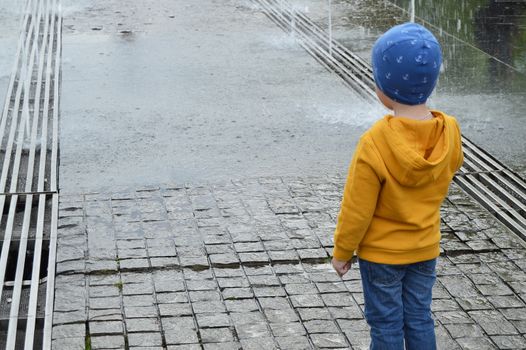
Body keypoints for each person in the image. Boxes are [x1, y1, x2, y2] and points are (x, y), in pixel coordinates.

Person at [331, 22, 463, 350]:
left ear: (384, 88)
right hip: (425, 247)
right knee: (419, 316)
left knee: (386, 323)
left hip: (382, 256)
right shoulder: (450, 131)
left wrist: (343, 251)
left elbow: (357, 207)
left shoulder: (375, 142)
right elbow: (452, 167)